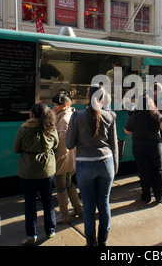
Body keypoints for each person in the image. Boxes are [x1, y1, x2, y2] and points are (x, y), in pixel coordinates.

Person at [65, 85, 118, 246]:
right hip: (106, 163)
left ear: (88, 96)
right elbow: (113, 143)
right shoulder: (110, 116)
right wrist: (115, 164)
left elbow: (68, 144)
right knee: (104, 203)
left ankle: (90, 242)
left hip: (85, 166)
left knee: (88, 206)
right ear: (102, 99)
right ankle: (103, 241)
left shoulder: (77, 116)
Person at [13, 103, 58, 245]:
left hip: (28, 171)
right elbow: (56, 144)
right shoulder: (51, 127)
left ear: (32, 114)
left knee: (30, 202)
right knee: (47, 200)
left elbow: (16, 148)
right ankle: (50, 230)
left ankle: (31, 235)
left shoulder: (24, 128)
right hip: (47, 169)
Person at [125, 94, 162, 204]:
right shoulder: (155, 115)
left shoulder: (134, 116)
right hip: (154, 147)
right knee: (158, 170)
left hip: (138, 147)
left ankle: (146, 196)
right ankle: (159, 196)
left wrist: (137, 131)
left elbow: (126, 130)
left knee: (143, 171)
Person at [52, 93, 83, 224]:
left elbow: (62, 145)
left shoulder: (64, 120)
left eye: (56, 106)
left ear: (64, 105)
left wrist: (56, 158)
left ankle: (64, 214)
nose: (54, 108)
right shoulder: (70, 115)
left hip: (63, 159)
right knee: (69, 184)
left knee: (60, 187)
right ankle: (78, 209)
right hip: (71, 158)